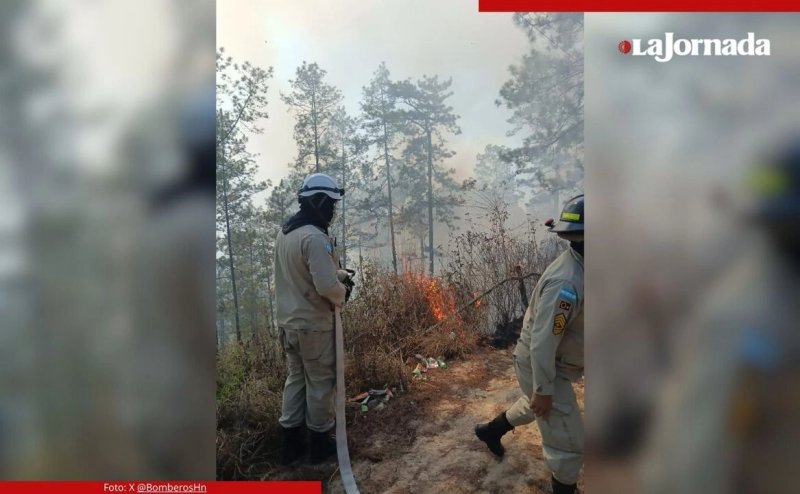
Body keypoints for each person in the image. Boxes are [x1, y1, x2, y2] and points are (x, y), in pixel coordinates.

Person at [475, 194, 585, 494]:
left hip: (552, 361)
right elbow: (543, 341)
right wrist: (544, 388)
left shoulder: (583, 265)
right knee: (569, 442)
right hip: (543, 362)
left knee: (539, 405)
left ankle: (490, 431)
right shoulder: (568, 285)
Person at [274, 172, 354, 465]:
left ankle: (291, 445)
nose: (332, 210)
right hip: (314, 327)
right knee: (321, 383)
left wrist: (339, 273)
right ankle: (320, 445)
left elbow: (303, 275)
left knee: (295, 380)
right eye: (330, 204)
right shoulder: (315, 237)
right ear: (318, 202)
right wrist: (343, 290)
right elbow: (325, 287)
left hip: (289, 324)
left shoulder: (286, 233)